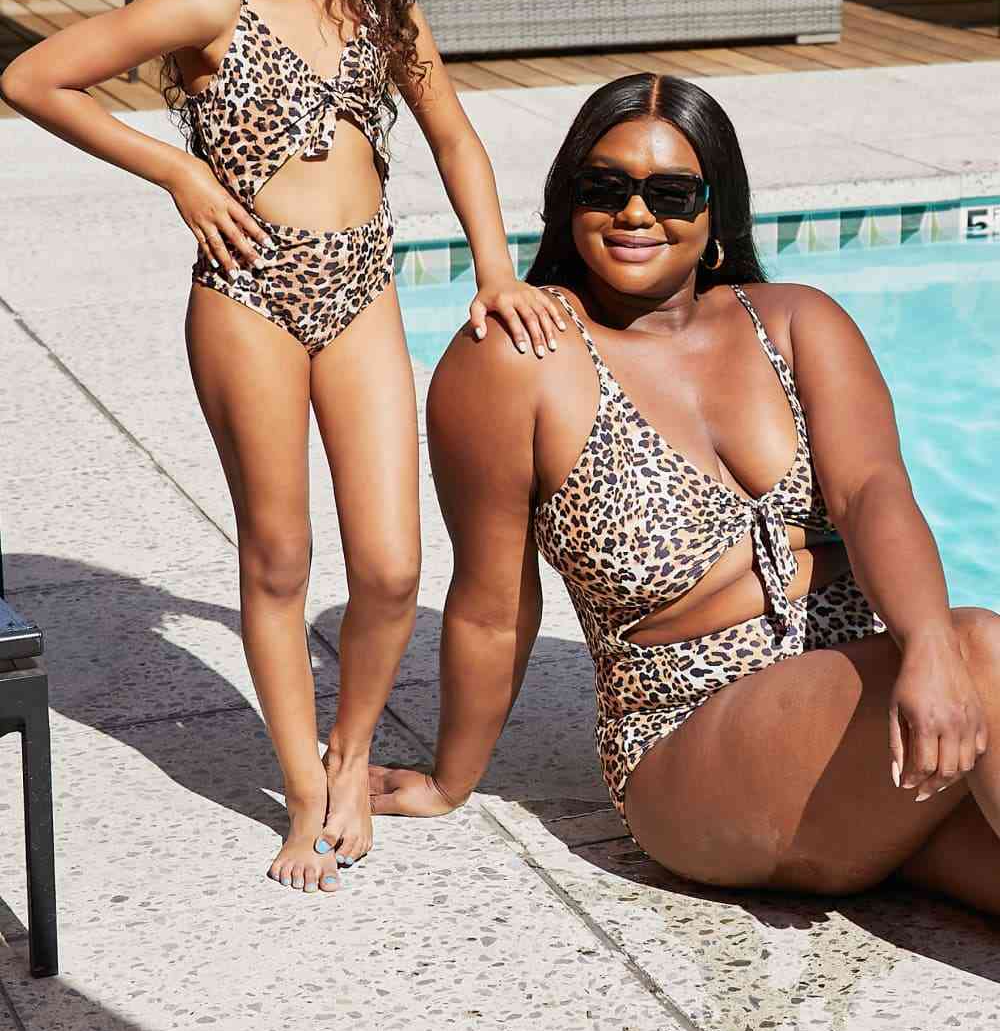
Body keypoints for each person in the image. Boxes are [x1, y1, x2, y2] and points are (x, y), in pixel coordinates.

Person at [1, 0, 564, 895]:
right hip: (247, 297)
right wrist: (178, 172)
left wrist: (495, 270)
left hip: (359, 287)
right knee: (278, 557)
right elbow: (32, 78)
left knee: (392, 568)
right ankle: (305, 791)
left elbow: (453, 135)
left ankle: (352, 752)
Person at [369, 73, 1000, 916]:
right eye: (605, 188)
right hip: (690, 747)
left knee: (963, 675)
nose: (635, 213)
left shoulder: (796, 322)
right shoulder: (520, 360)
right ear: (567, 203)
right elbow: (492, 605)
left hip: (857, 722)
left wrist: (923, 646)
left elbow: (872, 492)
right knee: (981, 647)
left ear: (715, 213)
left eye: (670, 192)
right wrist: (450, 780)